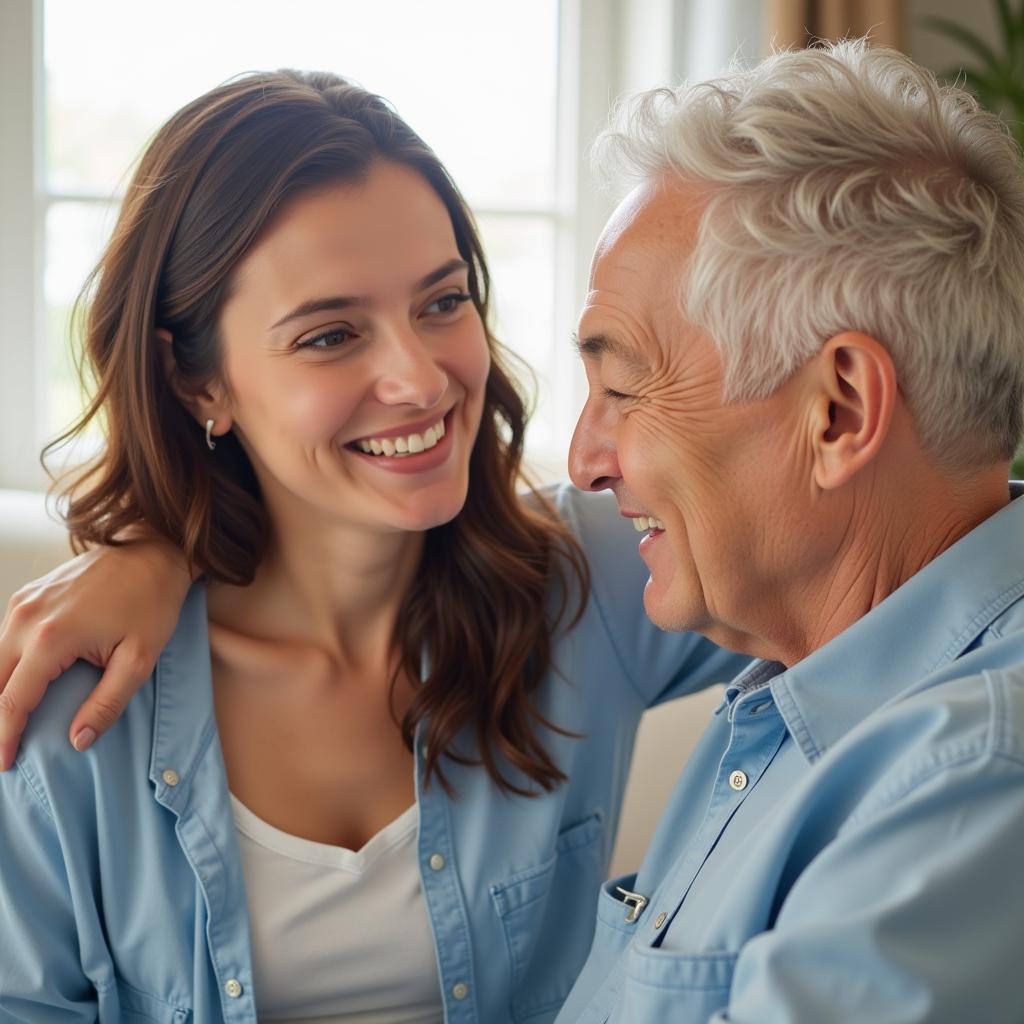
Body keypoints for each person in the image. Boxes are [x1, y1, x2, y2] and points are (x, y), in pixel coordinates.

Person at [0, 70, 746, 1022]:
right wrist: (159, 546)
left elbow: (928, 574)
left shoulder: (586, 581)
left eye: (441, 303)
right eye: (330, 335)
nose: (420, 377)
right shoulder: (79, 705)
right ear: (198, 386)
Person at [554, 39, 1024, 1022]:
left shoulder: (967, 780)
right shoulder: (789, 700)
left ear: (839, 411)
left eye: (624, 386)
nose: (585, 460)